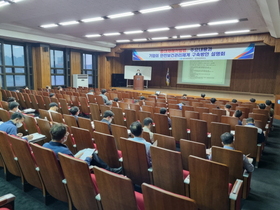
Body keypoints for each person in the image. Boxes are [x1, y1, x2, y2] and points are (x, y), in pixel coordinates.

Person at [43, 123, 122, 174]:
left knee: (87, 152)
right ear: (63, 138)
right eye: (67, 134)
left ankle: (109, 170)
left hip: (60, 169)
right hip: (73, 172)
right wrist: (87, 158)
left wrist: (80, 153)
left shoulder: (45, 145)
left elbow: (69, 159)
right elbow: (78, 167)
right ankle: (109, 171)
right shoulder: (64, 151)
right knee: (92, 155)